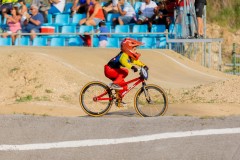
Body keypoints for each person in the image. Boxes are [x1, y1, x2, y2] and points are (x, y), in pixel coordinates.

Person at [104, 38, 149, 106]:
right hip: (109, 70)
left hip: (114, 71)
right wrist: (132, 67)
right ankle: (113, 84)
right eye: (134, 48)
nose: (135, 50)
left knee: (124, 86)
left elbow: (135, 61)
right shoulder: (124, 55)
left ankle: (118, 101)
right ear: (128, 48)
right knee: (125, 71)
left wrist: (144, 65)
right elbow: (123, 61)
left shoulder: (128, 55)